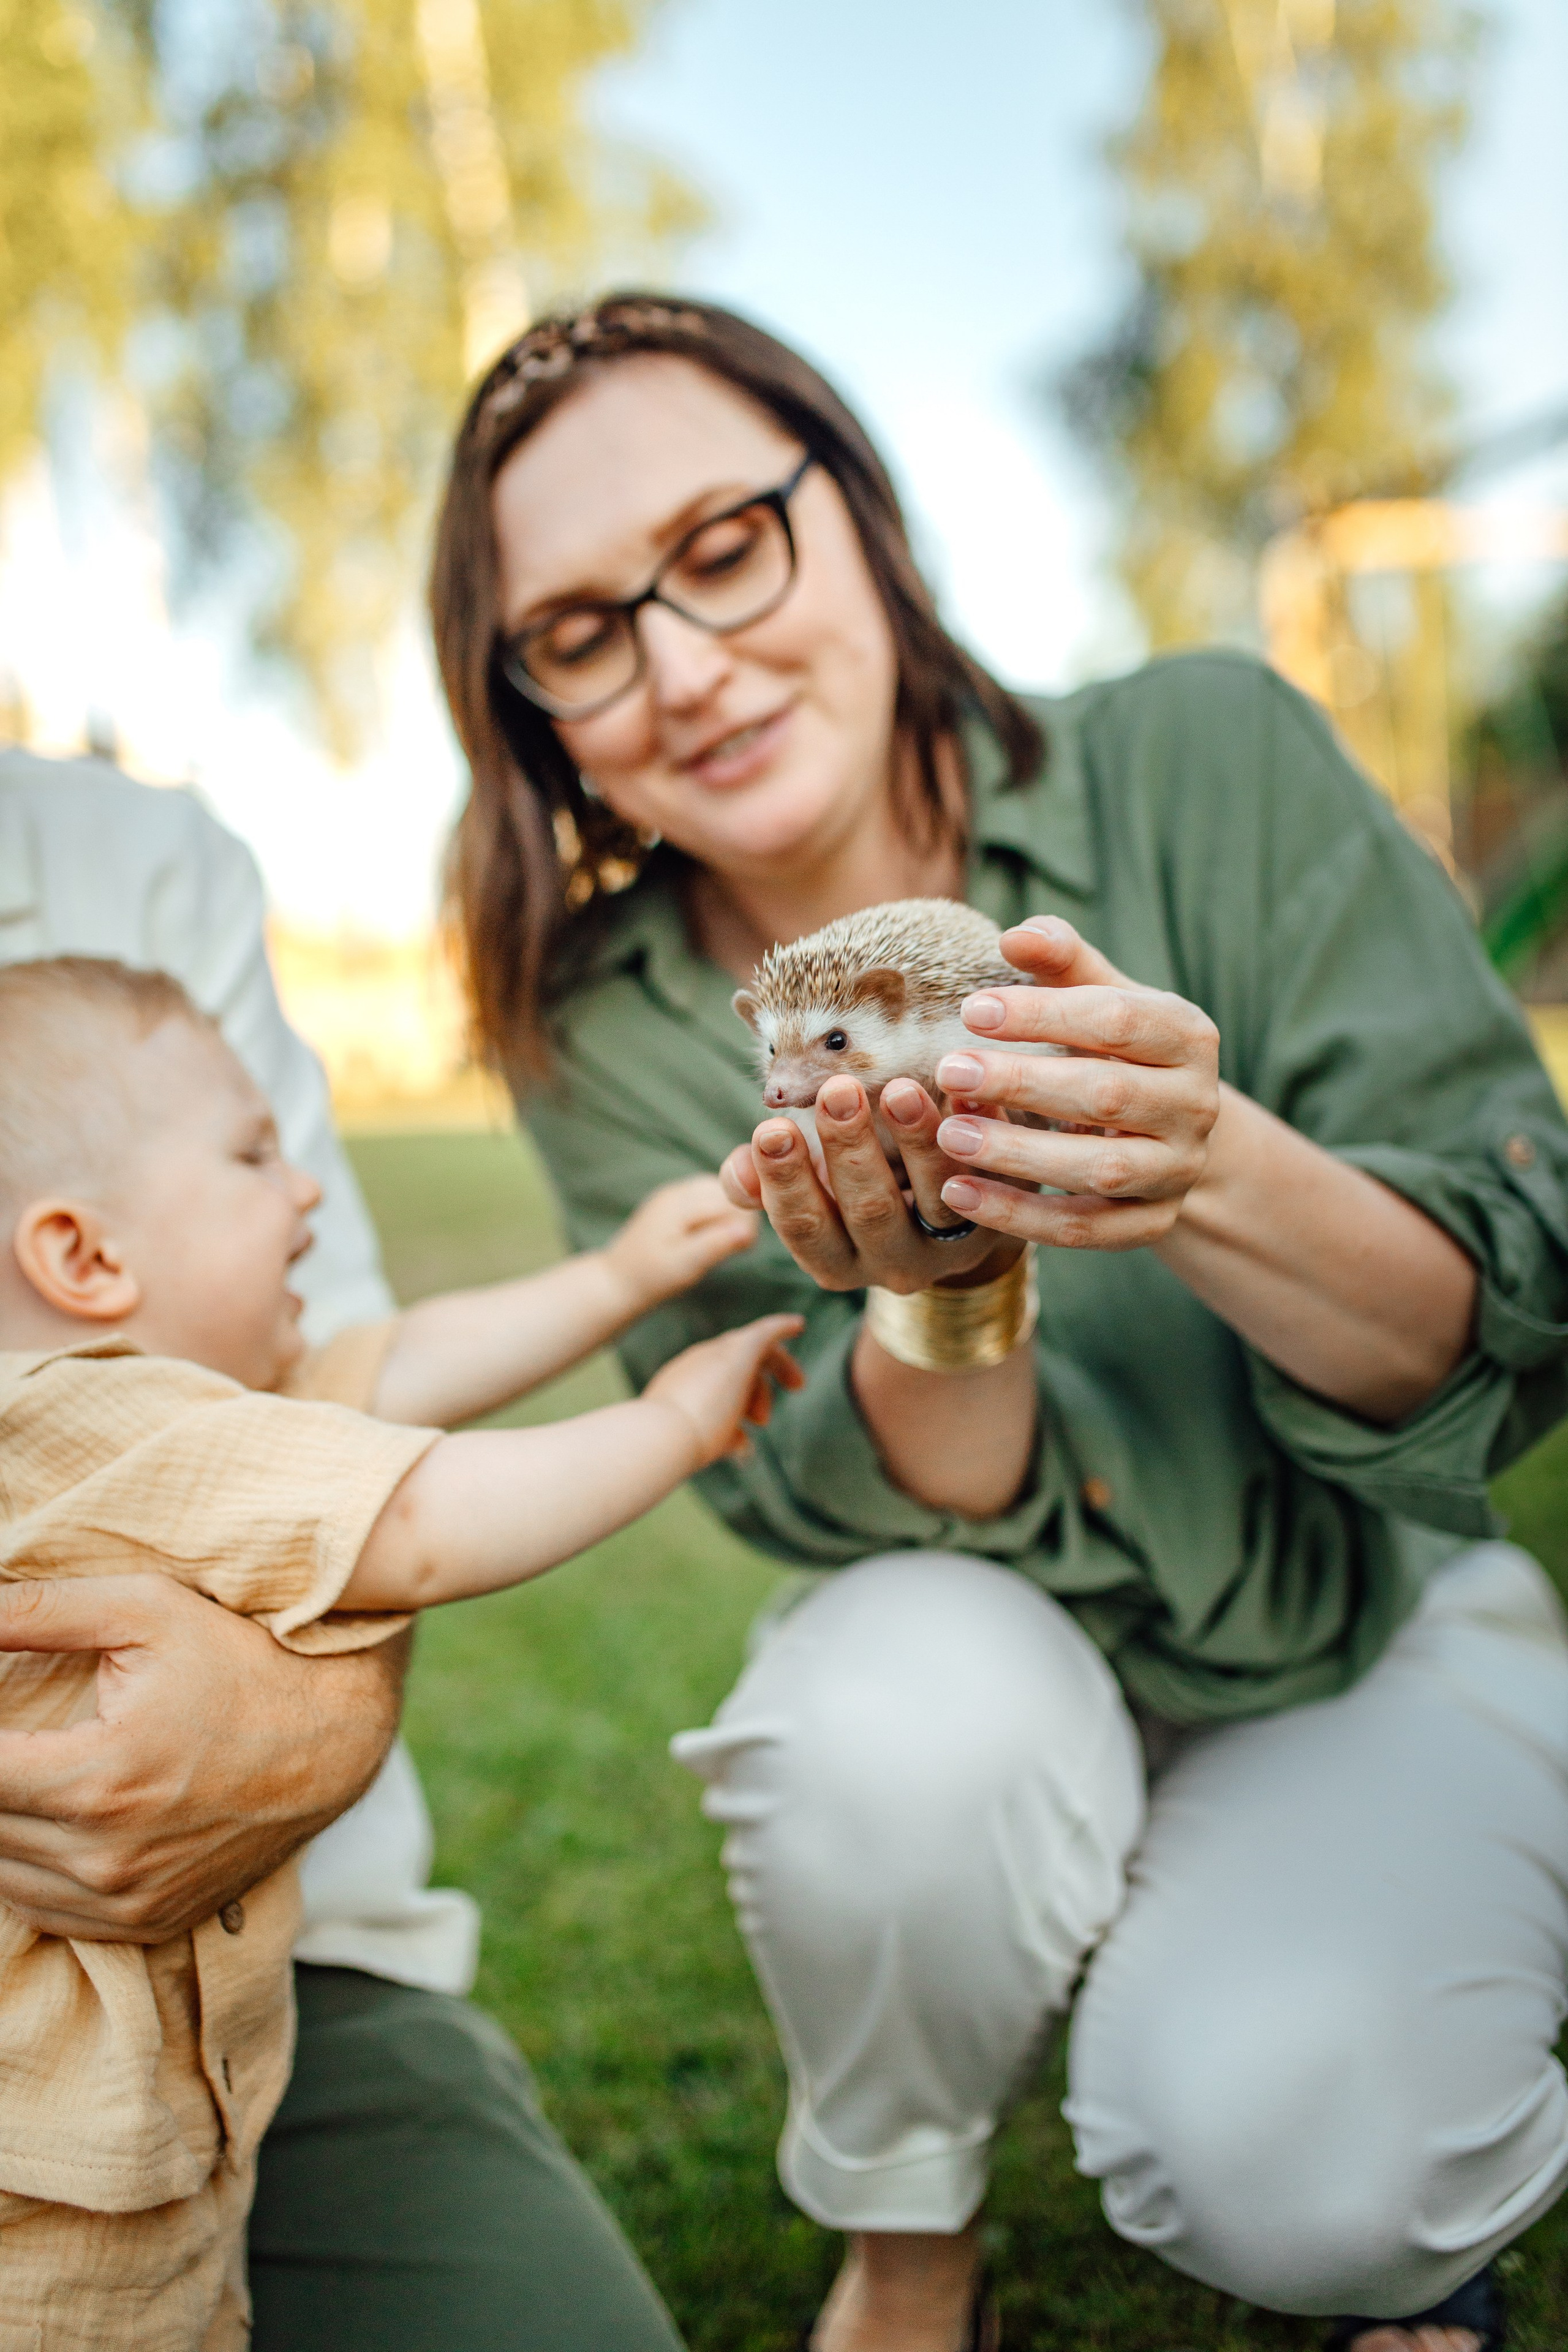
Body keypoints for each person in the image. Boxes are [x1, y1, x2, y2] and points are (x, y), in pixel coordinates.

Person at [425, 292, 1568, 2352]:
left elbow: (1477, 1337)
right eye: (583, 632)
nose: (684, 666)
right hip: (969, 1640)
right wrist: (952, 1294)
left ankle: (1293, 1959)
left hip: (1359, 1620)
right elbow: (866, 1498)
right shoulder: (608, 1030)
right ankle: (908, 2230)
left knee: (1324, 2175)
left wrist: (1202, 1164)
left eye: (722, 547)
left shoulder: (1206, 753)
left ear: (853, 513)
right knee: (887, 1724)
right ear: (532, 709)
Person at [0, 744, 696, 2351]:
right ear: (86, 1252)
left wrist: (618, 1280)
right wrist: (675, 1422)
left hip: (188, 2117)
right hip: (64, 2224)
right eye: (253, 1163)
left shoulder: (186, 1391)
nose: (306, 1187)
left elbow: (388, 1370)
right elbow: (421, 1513)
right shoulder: (107, 1428)